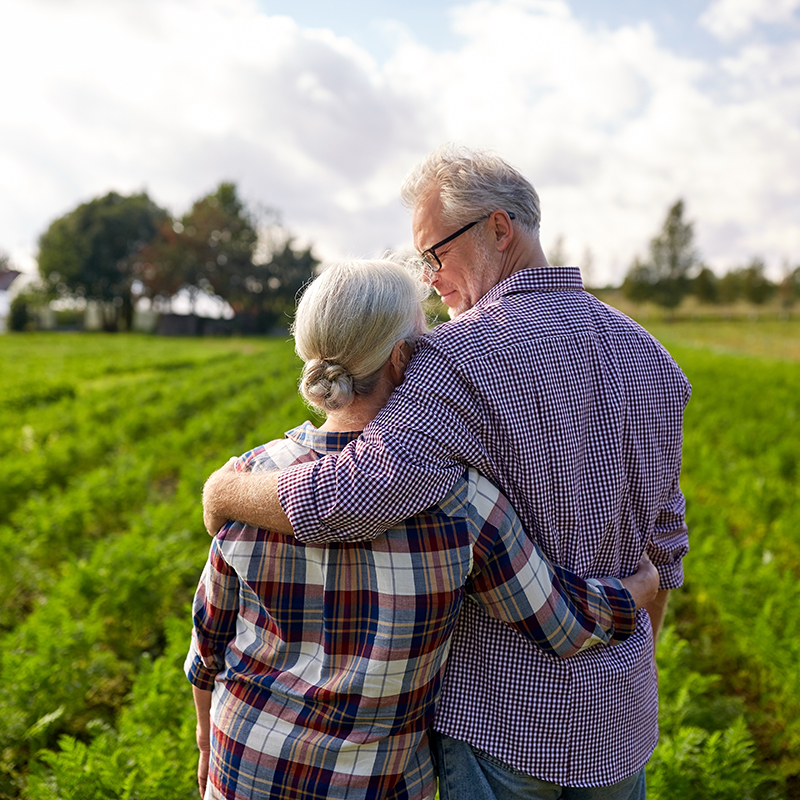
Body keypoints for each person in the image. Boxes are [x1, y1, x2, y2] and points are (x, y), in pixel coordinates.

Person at [203, 146, 691, 799]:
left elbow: (356, 493)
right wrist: (638, 654)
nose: (432, 279)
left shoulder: (454, 356)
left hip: (503, 722)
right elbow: (665, 545)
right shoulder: (653, 358)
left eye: (435, 254)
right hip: (622, 718)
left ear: (498, 229)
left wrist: (226, 490)